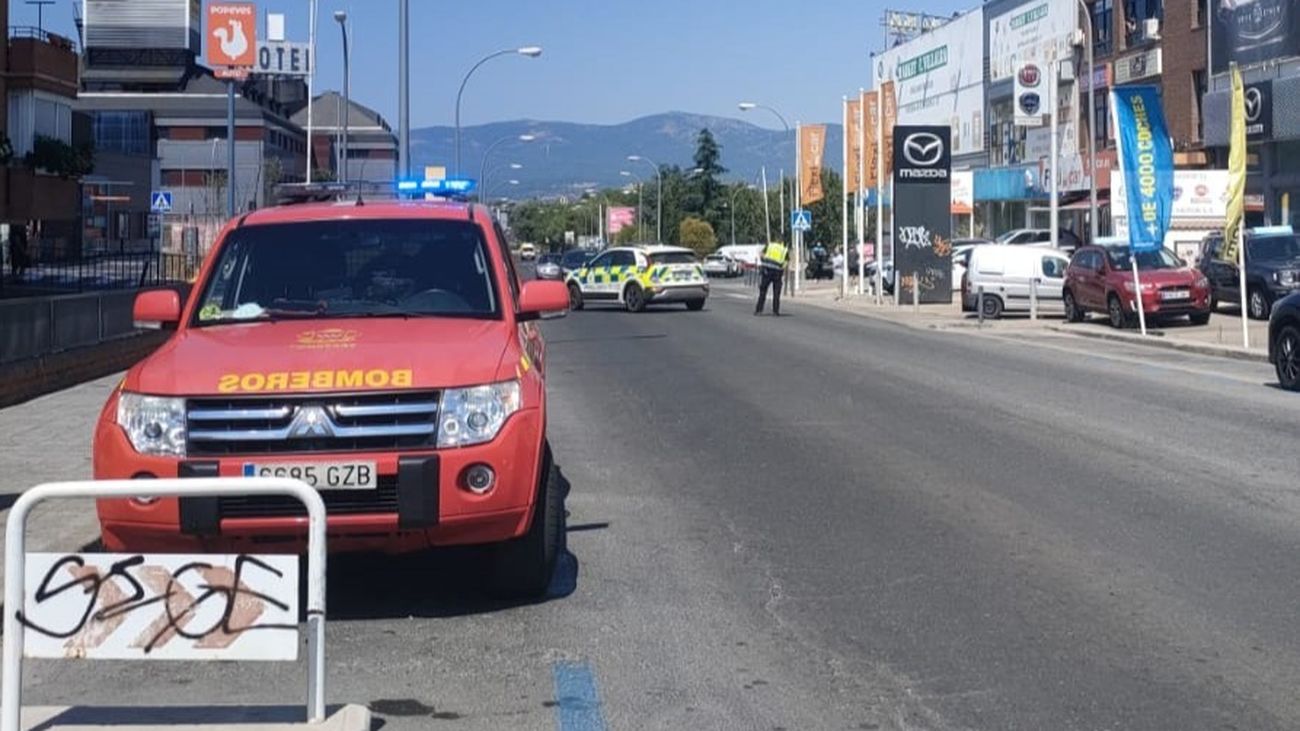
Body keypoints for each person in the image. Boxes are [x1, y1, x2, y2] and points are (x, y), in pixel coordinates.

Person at [754, 240, 789, 316]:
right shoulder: (784, 249)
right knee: (776, 292)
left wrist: (763, 263)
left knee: (763, 291)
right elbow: (786, 262)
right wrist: (782, 269)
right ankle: (775, 311)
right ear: (782, 242)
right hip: (777, 271)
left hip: (767, 270)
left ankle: (759, 310)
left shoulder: (770, 246)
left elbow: (761, 254)